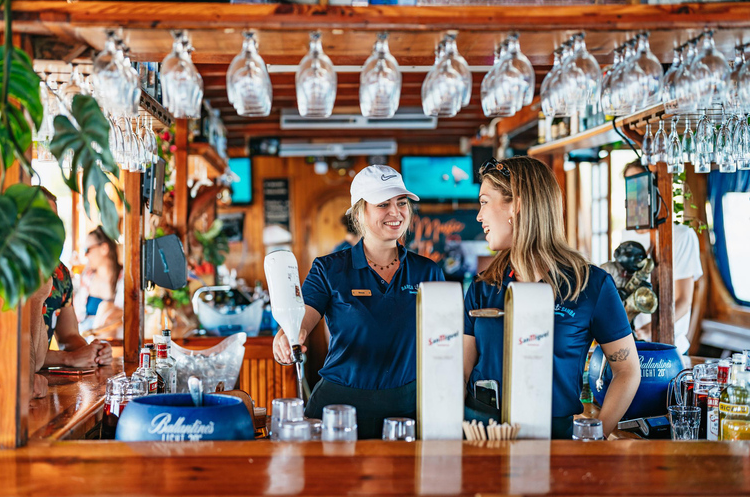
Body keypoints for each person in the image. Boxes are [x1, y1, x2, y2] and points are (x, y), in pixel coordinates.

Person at [464, 157, 641, 439]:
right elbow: (460, 375)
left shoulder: (590, 285)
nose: (479, 215)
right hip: (483, 435)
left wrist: (594, 438)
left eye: (485, 202)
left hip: (555, 438)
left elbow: (628, 371)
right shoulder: (483, 287)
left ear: (517, 205)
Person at [272, 165, 445, 439]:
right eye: (383, 204)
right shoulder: (329, 268)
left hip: (408, 406)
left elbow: (444, 340)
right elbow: (302, 317)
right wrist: (288, 335)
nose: (396, 212)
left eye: (402, 203)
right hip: (340, 404)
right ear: (360, 211)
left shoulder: (428, 271)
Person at [621, 159, 703, 354]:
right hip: (635, 346)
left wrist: (652, 329)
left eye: (640, 186)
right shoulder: (627, 235)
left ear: (656, 191)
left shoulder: (682, 236)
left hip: (670, 346)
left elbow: (684, 300)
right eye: (630, 188)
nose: (635, 197)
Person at [35, 188, 113, 369]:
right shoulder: (3, 271)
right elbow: (12, 354)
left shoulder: (59, 272)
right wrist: (67, 359)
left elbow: (69, 336)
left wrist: (93, 352)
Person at [74, 227, 124, 336]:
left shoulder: (123, 278)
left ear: (104, 248)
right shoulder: (87, 278)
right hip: (85, 334)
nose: (85, 255)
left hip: (111, 337)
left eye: (87, 250)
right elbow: (77, 312)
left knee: (105, 307)